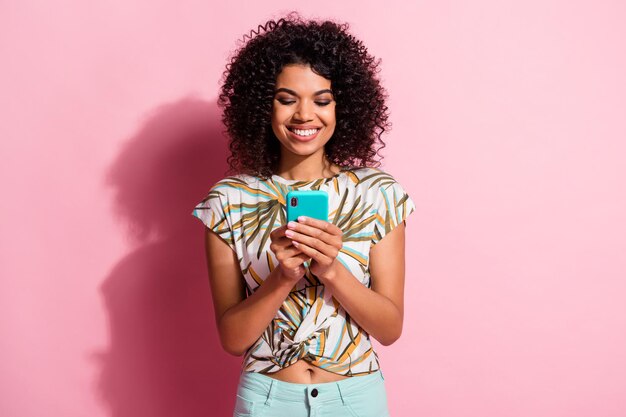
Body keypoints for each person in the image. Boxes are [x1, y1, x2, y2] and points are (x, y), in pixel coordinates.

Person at [192, 12, 415, 417]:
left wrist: (332, 271)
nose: (304, 115)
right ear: (263, 105)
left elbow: (389, 328)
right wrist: (282, 277)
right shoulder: (227, 201)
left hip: (356, 399)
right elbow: (233, 339)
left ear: (342, 106)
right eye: (286, 98)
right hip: (267, 400)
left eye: (322, 100)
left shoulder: (378, 194)